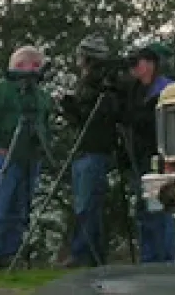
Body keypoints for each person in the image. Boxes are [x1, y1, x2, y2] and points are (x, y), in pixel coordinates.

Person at [0, 45, 53, 270]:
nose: (38, 70)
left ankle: (10, 253)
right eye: (35, 65)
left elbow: (45, 124)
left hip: (30, 158)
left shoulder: (41, 96)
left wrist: (42, 148)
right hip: (4, 157)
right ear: (21, 66)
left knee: (21, 208)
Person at [59, 34, 118, 267]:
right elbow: (83, 120)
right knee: (84, 203)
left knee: (87, 204)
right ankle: (90, 253)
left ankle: (84, 253)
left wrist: (76, 109)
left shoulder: (101, 87)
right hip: (84, 149)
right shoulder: (87, 84)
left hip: (94, 150)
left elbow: (98, 119)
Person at [125, 42, 175, 263]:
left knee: (159, 207)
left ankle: (164, 258)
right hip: (141, 157)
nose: (133, 69)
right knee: (144, 209)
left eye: (137, 63)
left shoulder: (167, 90)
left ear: (150, 64)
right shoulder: (136, 92)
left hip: (159, 157)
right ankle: (150, 257)